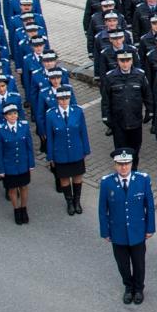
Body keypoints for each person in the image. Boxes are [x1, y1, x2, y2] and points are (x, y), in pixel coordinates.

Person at [100, 147, 156, 305]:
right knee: (123, 264)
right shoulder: (107, 183)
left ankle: (138, 289)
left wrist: (150, 228)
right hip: (117, 232)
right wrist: (105, 231)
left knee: (139, 263)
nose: (123, 167)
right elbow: (102, 210)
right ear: (115, 165)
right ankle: (128, 287)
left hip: (138, 231)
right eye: (120, 164)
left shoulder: (142, 180)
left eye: (127, 164)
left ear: (132, 164)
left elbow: (149, 206)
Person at [101, 51, 153, 164]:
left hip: (135, 121)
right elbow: (105, 99)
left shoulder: (140, 75)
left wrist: (150, 111)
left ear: (132, 60)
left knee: (135, 151)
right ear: (118, 61)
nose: (125, 64)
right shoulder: (110, 77)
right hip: (119, 122)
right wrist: (106, 117)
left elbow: (147, 95)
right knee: (121, 152)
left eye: (128, 60)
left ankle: (133, 173)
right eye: (122, 61)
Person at [45, 87, 91, 216]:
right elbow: (50, 136)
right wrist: (50, 156)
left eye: (66, 98)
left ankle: (77, 201)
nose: (64, 101)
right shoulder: (50, 114)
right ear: (57, 99)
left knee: (77, 176)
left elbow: (83, 131)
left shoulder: (77, 111)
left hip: (76, 150)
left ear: (70, 98)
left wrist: (86, 150)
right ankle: (69, 202)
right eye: (61, 99)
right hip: (60, 152)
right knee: (64, 178)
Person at [0, 104, 36, 225]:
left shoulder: (24, 126)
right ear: (5, 116)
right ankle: (16, 209)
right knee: (12, 189)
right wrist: (1, 169)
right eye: (10, 114)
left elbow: (29, 145)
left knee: (23, 186)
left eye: (15, 113)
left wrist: (31, 163)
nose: (13, 116)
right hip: (9, 165)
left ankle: (24, 208)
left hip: (23, 163)